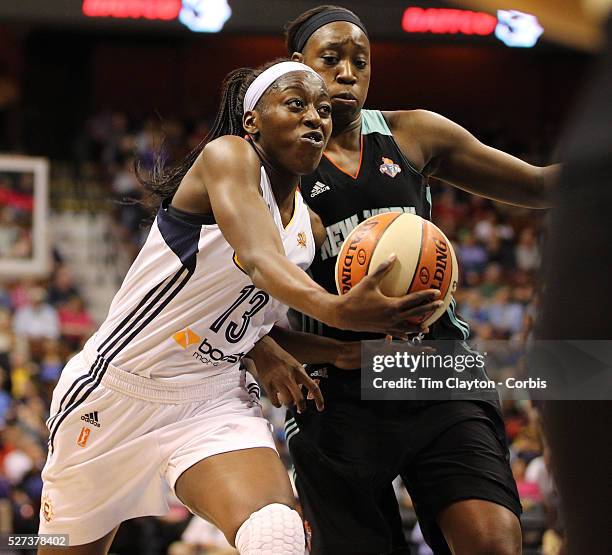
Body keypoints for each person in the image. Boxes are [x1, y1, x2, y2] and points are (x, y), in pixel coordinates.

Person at [37, 59, 441, 555]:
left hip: (212, 398)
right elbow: (257, 259)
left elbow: (253, 330)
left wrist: (339, 353)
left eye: (323, 111)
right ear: (252, 122)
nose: (316, 117)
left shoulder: (308, 231)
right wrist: (338, 310)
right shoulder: (227, 157)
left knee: (277, 533)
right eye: (296, 105)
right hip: (115, 394)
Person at [252, 6, 558, 555]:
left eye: (361, 62)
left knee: (493, 542)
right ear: (296, 67)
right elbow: (225, 295)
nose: (348, 72)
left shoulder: (411, 133)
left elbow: (538, 187)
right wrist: (264, 348)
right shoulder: (264, 164)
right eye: (331, 59)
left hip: (434, 367)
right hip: (334, 387)